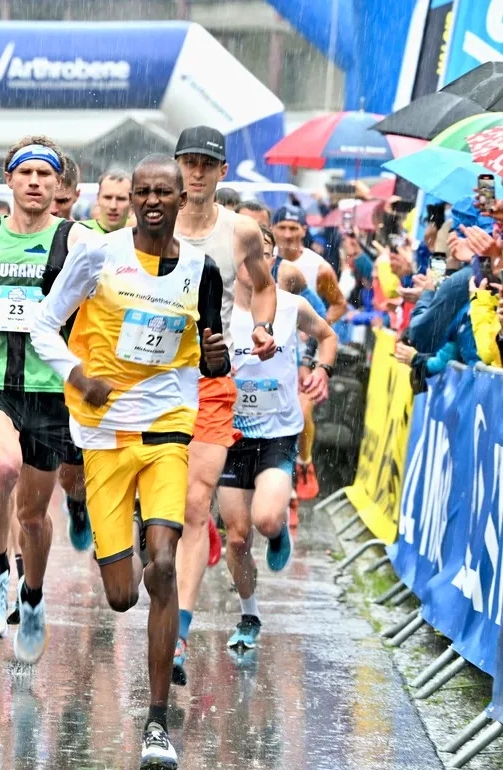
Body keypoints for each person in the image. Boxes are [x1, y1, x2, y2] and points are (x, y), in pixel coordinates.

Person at [31, 154, 230, 770]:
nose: (151, 201)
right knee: (121, 596)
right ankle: (125, 535)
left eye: (163, 192)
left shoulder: (202, 270)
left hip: (168, 428)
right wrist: (78, 377)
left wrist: (221, 359)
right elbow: (43, 326)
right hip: (104, 434)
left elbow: (213, 357)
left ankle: (157, 722)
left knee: (164, 565)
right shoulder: (98, 255)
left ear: (181, 199)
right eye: (142, 191)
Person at [0, 136, 87, 662]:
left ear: (59, 184)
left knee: (33, 517)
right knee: (4, 466)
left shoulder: (76, 240)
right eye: (26, 172)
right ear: (8, 179)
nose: (35, 182)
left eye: (44, 174)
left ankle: (32, 596)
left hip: (50, 394)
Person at [172, 126, 277, 688]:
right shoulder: (150, 224)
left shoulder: (240, 230)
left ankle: (179, 634)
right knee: (156, 521)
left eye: (206, 164)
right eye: (188, 161)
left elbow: (263, 286)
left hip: (210, 383)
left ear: (222, 172)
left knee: (195, 506)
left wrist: (261, 327)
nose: (196, 172)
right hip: (150, 384)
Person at [219, 223, 336, 651]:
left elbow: (327, 336)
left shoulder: (290, 306)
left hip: (278, 433)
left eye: (264, 253)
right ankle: (249, 614)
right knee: (236, 538)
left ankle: (278, 531)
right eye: (246, 252)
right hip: (230, 434)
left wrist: (322, 369)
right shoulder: (216, 310)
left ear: (271, 261)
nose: (254, 260)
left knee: (266, 520)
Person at [271, 205, 347, 502]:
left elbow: (339, 304)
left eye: (294, 227)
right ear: (273, 229)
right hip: (273, 350)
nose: (288, 234)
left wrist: (314, 327)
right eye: (282, 227)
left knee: (301, 412)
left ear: (304, 230)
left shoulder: (319, 267)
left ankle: (303, 463)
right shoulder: (263, 260)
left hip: (308, 352)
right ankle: (280, 481)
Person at [50, 159, 92, 551]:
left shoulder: (87, 243)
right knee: (62, 474)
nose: (52, 207)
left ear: (76, 196)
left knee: (78, 468)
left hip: (80, 368)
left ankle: (82, 503)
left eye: (62, 200)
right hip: (32, 370)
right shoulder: (11, 237)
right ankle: (77, 502)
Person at [85, 170, 132, 234]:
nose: (113, 206)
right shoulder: (79, 233)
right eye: (107, 198)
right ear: (98, 198)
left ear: (132, 201)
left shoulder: (141, 237)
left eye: (121, 199)